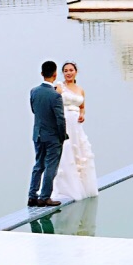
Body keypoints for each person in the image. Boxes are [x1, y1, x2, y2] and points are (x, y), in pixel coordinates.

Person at [52, 61, 99, 200]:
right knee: (66, 151)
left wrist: (82, 114)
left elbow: (82, 106)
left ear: (76, 72)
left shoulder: (80, 89)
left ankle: (83, 185)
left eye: (71, 70)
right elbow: (54, 102)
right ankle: (67, 187)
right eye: (65, 70)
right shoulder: (60, 87)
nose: (68, 73)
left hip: (77, 126)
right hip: (65, 122)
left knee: (80, 152)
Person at [28, 60, 67, 207]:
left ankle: (32, 196)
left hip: (38, 134)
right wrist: (62, 136)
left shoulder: (33, 91)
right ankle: (44, 197)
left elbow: (34, 110)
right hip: (52, 136)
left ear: (42, 74)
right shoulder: (55, 96)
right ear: (55, 74)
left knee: (38, 164)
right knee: (51, 165)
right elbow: (60, 119)